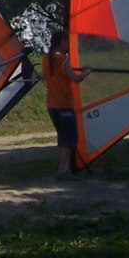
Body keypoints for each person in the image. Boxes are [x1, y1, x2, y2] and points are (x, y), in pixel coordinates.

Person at [43, 30, 92, 178]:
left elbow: (44, 78)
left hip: (52, 105)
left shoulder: (47, 58)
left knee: (62, 136)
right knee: (69, 138)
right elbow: (75, 79)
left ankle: (64, 166)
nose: (68, 45)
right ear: (62, 42)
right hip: (64, 104)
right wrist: (86, 72)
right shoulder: (63, 59)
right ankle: (63, 168)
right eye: (67, 42)